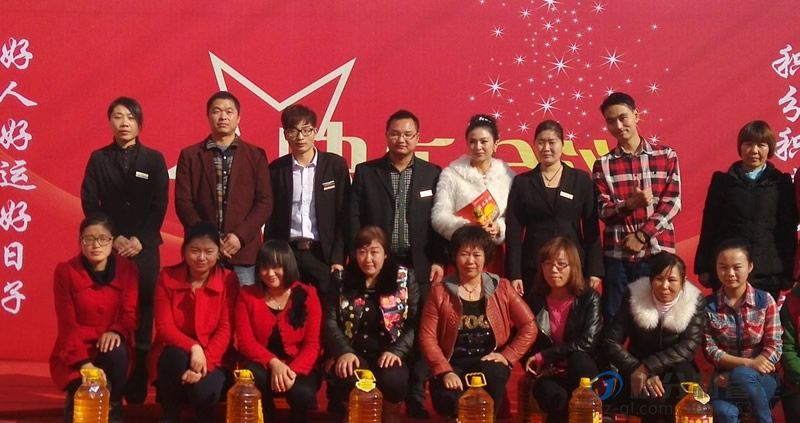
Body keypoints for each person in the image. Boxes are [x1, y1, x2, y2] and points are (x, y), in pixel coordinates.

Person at [349, 109, 447, 418]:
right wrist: (358, 256)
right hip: (379, 265)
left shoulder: (433, 174)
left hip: (419, 265)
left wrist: (439, 259)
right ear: (386, 135)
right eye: (395, 133)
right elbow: (353, 217)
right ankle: (373, 388)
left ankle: (416, 396)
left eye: (407, 134)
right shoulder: (367, 172)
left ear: (418, 138)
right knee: (377, 324)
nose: (401, 139)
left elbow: (439, 221)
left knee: (420, 330)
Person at [80, 96, 168, 402]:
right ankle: (108, 378)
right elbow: (90, 202)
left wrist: (141, 239)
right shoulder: (99, 159)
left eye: (130, 117)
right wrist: (112, 238)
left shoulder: (154, 160)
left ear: (140, 123)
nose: (124, 123)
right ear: (110, 122)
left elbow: (159, 204)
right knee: (109, 310)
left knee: (144, 311)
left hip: (145, 249)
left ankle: (138, 382)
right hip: (109, 249)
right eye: (118, 117)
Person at [419, 225, 536, 419]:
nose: (470, 261)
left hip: (487, 362)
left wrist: (508, 356)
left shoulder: (502, 288)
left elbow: (529, 325)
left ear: (486, 257)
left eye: (477, 255)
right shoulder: (439, 292)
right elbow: (427, 337)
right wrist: (444, 371)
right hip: (452, 363)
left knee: (495, 374)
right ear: (455, 256)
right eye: (464, 254)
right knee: (448, 401)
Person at [593, 92, 681, 321]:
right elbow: (603, 211)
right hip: (617, 256)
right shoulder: (603, 164)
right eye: (611, 121)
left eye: (623, 118)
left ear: (636, 115)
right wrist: (630, 205)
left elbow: (672, 203)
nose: (618, 126)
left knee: (659, 321)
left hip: (657, 253)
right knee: (614, 320)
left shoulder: (665, 155)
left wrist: (642, 235)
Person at [174, 91, 273, 286]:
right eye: (216, 111)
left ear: (238, 117)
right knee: (202, 304)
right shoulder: (190, 155)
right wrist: (207, 238)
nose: (223, 117)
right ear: (208, 116)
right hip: (203, 252)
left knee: (244, 303)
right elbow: (183, 202)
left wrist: (239, 236)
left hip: (243, 251)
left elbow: (264, 202)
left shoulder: (255, 155)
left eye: (229, 112)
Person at [323, 226, 419, 421]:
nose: (368, 259)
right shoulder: (341, 279)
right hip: (354, 351)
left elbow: (414, 322)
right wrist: (344, 352)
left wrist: (397, 351)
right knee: (347, 375)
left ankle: (390, 415)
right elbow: (330, 322)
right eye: (362, 252)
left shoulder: (403, 278)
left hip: (390, 352)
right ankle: (353, 415)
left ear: (385, 254)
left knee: (393, 380)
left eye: (374, 252)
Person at [50, 214, 138, 423]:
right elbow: (67, 324)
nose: (96, 245)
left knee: (117, 350)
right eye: (88, 239)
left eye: (103, 238)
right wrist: (84, 364)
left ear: (112, 241)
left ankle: (114, 406)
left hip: (110, 350)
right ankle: (76, 399)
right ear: (80, 241)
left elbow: (130, 314)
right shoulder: (66, 272)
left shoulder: (127, 269)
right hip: (76, 349)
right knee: (85, 398)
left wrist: (116, 330)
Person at [695, 120, 796, 300]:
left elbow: (787, 230)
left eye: (761, 145)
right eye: (748, 144)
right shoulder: (723, 181)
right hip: (729, 271)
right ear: (740, 147)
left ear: (770, 149)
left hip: (767, 273)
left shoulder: (781, 183)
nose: (754, 150)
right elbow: (709, 225)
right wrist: (703, 267)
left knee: (763, 317)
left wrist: (788, 272)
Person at [150, 222, 238, 423]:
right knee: (173, 357)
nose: (201, 257)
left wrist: (205, 359)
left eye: (209, 251)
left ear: (218, 253)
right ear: (184, 251)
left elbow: (226, 329)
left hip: (214, 355)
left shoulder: (229, 279)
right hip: (176, 351)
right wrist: (194, 347)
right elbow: (164, 327)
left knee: (203, 393)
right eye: (195, 251)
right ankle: (169, 415)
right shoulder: (167, 276)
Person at [603, 252, 705, 423]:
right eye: (659, 279)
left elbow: (689, 346)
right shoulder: (633, 296)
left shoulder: (695, 301)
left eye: (672, 280)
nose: (665, 286)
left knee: (682, 377)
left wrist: (648, 367)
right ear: (650, 280)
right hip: (637, 367)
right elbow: (611, 341)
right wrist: (636, 368)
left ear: (683, 282)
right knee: (647, 402)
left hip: (675, 369)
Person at [506, 120, 603, 296]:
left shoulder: (580, 180)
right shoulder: (522, 182)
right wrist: (514, 274)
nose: (546, 148)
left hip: (571, 265)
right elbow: (513, 232)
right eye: (541, 142)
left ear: (562, 145)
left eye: (552, 142)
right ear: (534, 145)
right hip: (534, 267)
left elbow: (591, 228)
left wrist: (594, 270)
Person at [266, 103, 350, 298]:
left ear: (316, 132)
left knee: (328, 308)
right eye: (293, 131)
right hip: (288, 254)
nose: (300, 137)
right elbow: (271, 217)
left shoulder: (335, 165)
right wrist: (273, 256)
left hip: (323, 254)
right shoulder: (276, 169)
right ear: (285, 135)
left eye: (306, 130)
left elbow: (344, 215)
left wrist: (338, 258)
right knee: (290, 308)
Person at [236, 240, 322, 421]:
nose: (270, 273)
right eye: (264, 268)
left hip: (297, 365)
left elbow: (312, 344)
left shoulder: (308, 294)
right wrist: (274, 363)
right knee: (253, 376)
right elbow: (245, 342)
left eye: (276, 267)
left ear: (288, 266)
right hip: (262, 365)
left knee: (302, 393)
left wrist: (291, 371)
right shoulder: (247, 295)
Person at [523, 237, 601, 423]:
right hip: (549, 372)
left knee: (579, 360)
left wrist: (544, 356)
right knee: (556, 398)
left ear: (573, 267)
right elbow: (522, 336)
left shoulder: (589, 298)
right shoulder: (535, 298)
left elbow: (587, 342)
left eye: (561, 264)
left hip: (580, 370)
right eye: (547, 263)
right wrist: (537, 364)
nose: (553, 269)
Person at [704, 239, 782, 423]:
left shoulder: (765, 301)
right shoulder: (708, 306)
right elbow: (710, 349)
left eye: (737, 267)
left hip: (762, 378)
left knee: (741, 374)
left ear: (750, 266)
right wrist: (748, 363)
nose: (730, 273)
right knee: (723, 412)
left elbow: (774, 345)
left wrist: (743, 371)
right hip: (722, 379)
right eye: (723, 267)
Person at [431, 114, 516, 248]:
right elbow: (439, 217)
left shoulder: (508, 177)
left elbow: (515, 219)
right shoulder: (451, 175)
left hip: (494, 251)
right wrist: (466, 227)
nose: (478, 147)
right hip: (463, 250)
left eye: (484, 141)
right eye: (472, 142)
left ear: (495, 143)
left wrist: (499, 227)